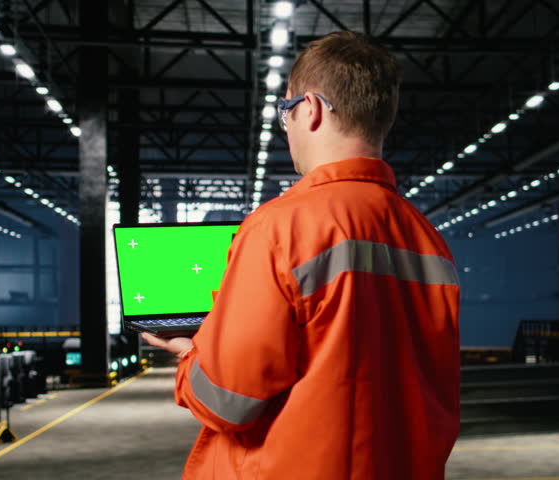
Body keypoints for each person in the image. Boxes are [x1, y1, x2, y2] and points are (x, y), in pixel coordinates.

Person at [143, 31, 460, 479]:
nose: (286, 126)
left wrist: (193, 356)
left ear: (309, 109)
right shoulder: (426, 237)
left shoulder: (281, 228)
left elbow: (228, 401)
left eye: (284, 112)